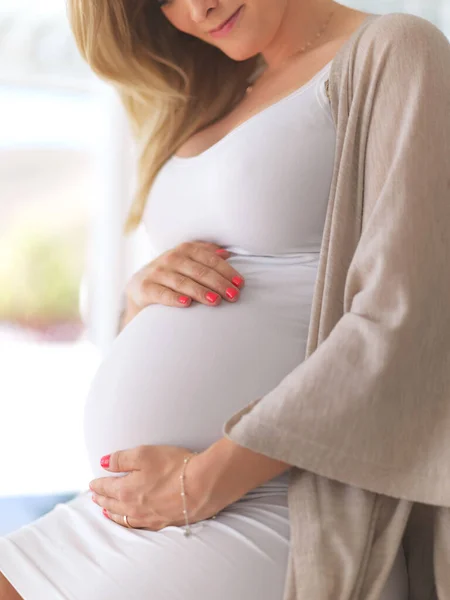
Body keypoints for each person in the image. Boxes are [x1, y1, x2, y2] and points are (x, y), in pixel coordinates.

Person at [1, 1, 449, 598]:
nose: (196, 8)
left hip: (272, 502)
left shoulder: (395, 49)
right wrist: (141, 296)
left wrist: (205, 479)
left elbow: (404, 320)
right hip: (146, 506)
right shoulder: (219, 88)